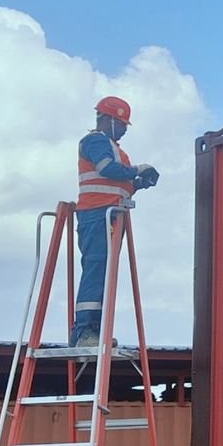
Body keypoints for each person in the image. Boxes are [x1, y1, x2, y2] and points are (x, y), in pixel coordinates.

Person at [72, 96, 160, 347]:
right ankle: (84, 332)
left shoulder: (114, 148)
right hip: (97, 214)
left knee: (103, 275)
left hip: (109, 215)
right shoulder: (96, 141)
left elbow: (118, 182)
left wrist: (139, 183)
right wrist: (137, 170)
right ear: (108, 119)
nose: (123, 129)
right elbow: (107, 169)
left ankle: (94, 332)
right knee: (96, 270)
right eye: (121, 123)